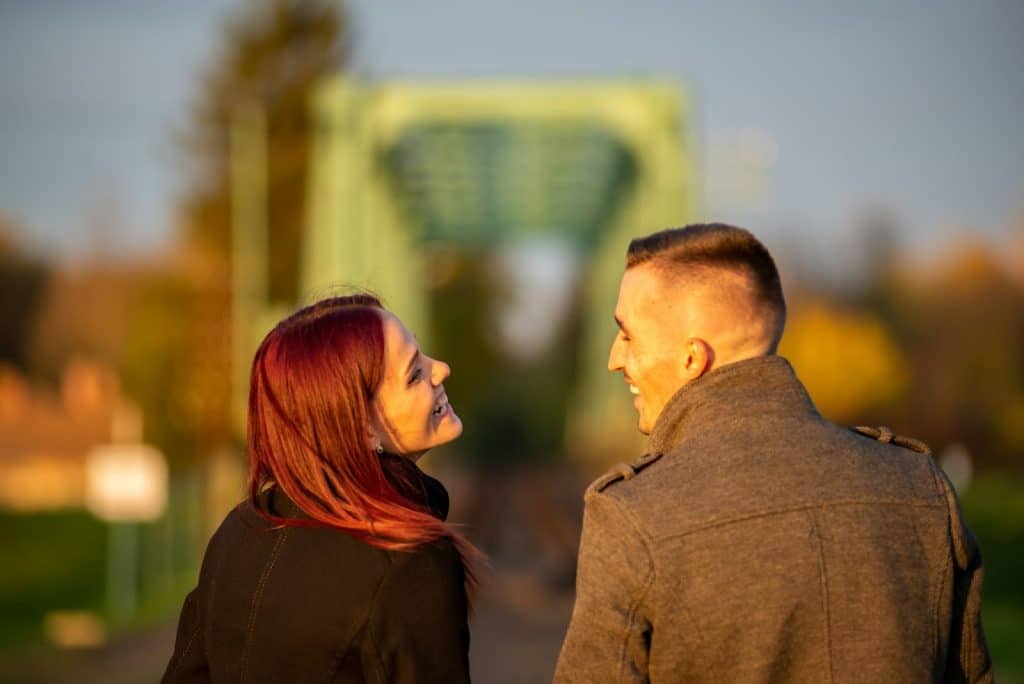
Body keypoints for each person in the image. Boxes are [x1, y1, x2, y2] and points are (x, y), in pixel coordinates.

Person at [555, 224, 992, 682]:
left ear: (691, 358)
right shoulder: (920, 489)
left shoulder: (632, 516)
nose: (613, 358)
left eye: (626, 335)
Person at [163, 294, 478, 683]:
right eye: (414, 375)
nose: (442, 369)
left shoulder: (237, 533)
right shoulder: (410, 560)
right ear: (359, 429)